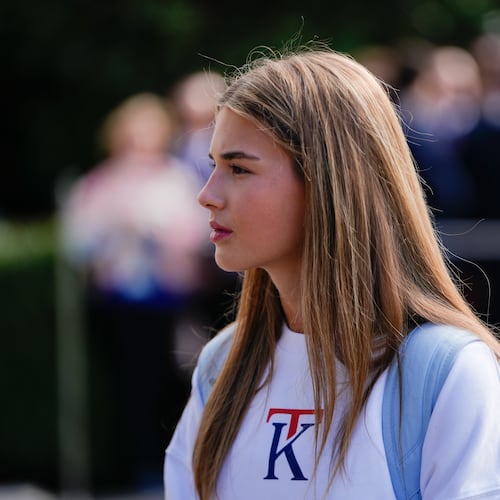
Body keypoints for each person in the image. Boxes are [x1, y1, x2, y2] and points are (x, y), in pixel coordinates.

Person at [164, 44, 500, 499]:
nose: (206, 194)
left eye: (238, 168)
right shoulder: (221, 367)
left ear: (328, 181)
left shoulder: (446, 371)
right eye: (213, 166)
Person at [60, 92, 210, 493]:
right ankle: (141, 470)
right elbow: (78, 242)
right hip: (121, 301)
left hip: (171, 300)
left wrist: (159, 234)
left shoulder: (175, 177)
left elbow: (198, 231)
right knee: (133, 389)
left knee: (179, 382)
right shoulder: (98, 182)